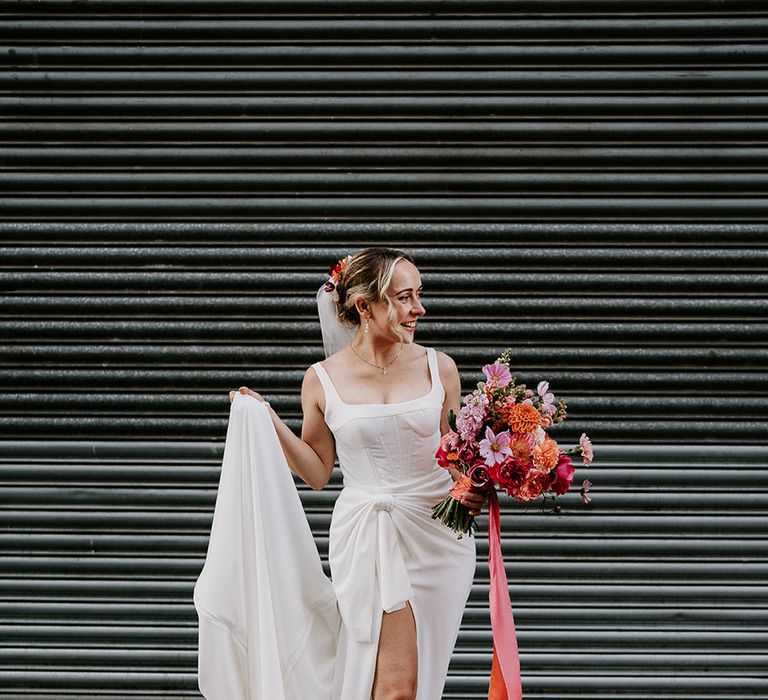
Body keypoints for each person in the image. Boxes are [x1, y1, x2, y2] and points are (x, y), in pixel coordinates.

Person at [229, 247, 486, 700]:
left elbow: (459, 458)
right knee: (394, 690)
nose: (419, 309)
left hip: (438, 539)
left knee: (420, 685)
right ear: (365, 306)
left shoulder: (439, 368)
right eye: (404, 297)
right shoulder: (322, 379)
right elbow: (317, 472)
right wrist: (268, 421)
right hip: (367, 534)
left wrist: (479, 485)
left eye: (419, 295)